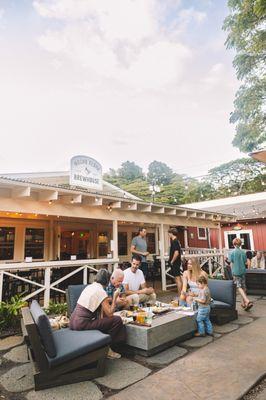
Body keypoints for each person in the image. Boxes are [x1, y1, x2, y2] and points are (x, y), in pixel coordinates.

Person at [70, 268, 126, 359]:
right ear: (107, 281)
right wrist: (115, 298)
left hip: (73, 321)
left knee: (104, 319)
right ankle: (106, 348)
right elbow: (110, 314)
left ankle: (106, 345)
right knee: (117, 320)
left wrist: (110, 300)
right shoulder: (101, 291)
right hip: (81, 324)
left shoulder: (90, 287)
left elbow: (99, 302)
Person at [229, 238, 253, 310]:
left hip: (236, 272)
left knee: (238, 287)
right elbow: (245, 262)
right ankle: (244, 303)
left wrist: (231, 272)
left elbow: (231, 263)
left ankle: (247, 300)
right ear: (240, 244)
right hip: (243, 271)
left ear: (234, 244)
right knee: (243, 287)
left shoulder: (232, 252)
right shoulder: (243, 252)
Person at [168, 227, 182, 296]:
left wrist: (172, 261)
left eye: (169, 233)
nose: (168, 235)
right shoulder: (176, 241)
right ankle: (180, 294)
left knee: (177, 279)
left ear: (171, 233)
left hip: (175, 263)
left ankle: (180, 295)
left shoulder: (175, 241)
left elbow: (176, 253)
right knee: (177, 279)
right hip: (176, 262)